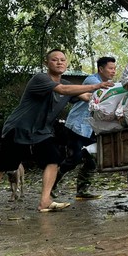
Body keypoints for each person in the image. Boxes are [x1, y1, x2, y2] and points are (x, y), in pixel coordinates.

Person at [0, 49, 114, 214]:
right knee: (4, 165)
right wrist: (97, 85)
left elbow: (85, 96)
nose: (59, 62)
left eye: (62, 60)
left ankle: (45, 201)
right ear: (46, 63)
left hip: (42, 131)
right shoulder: (40, 79)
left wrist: (115, 95)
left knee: (53, 159)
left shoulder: (65, 83)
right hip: (20, 127)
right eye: (54, 60)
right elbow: (63, 91)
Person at [52, 56, 117, 200]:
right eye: (110, 68)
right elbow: (106, 94)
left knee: (91, 160)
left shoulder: (108, 83)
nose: (113, 71)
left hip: (90, 128)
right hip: (77, 126)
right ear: (101, 69)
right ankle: (51, 185)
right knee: (74, 159)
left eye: (114, 68)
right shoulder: (92, 81)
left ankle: (82, 191)